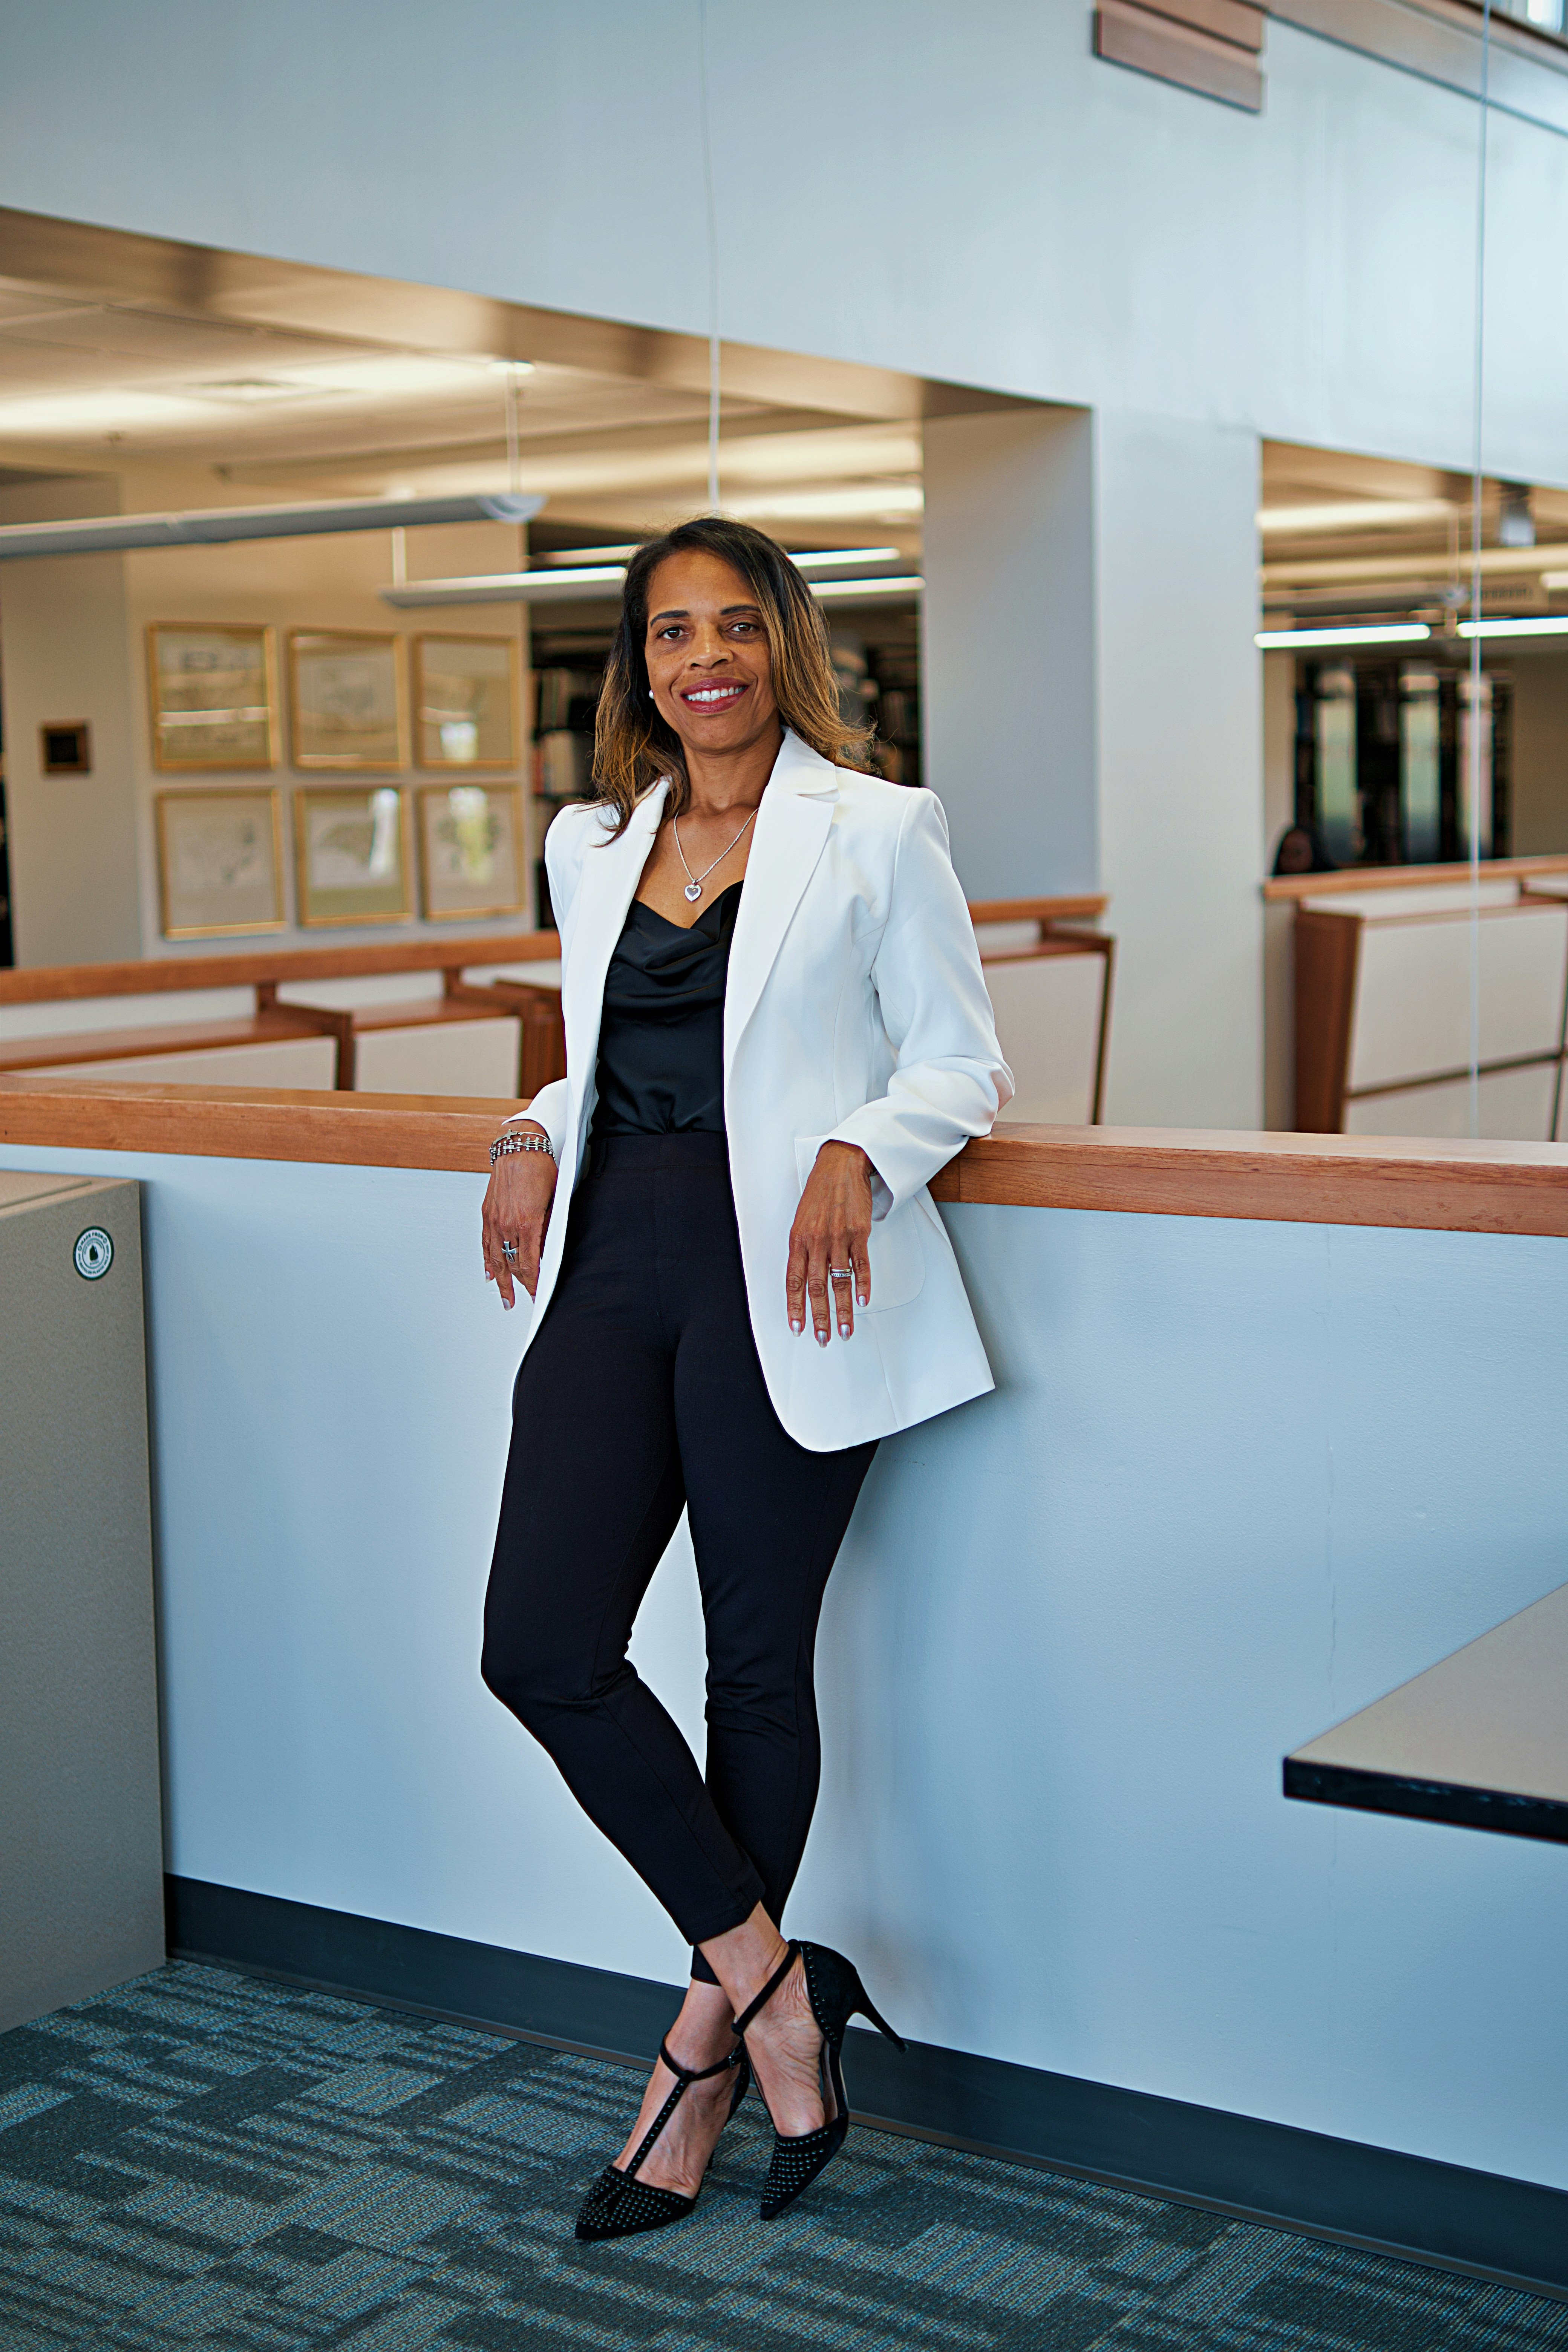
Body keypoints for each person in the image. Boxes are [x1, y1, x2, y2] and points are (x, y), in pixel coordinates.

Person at [478, 516, 1012, 2242]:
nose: (699, 658)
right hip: (611, 1262)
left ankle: (694, 2059)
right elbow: (599, 1057)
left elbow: (959, 1059)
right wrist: (524, 1128)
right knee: (540, 1645)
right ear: (638, 669)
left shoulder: (877, 829)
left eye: (730, 626)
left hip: (791, 1267)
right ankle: (779, 1989)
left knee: (751, 1673)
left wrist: (866, 1144)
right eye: (665, 634)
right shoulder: (594, 842)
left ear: (781, 643)